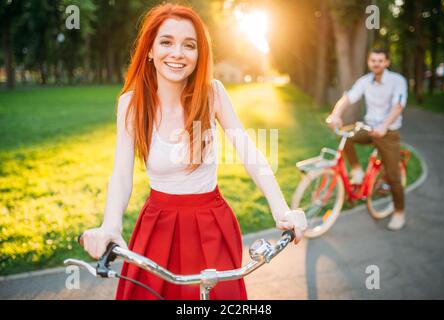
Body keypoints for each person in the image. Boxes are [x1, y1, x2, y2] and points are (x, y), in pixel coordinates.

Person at [80, 3, 307, 300]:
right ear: (149, 50)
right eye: (166, 42)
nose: (177, 53)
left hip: (210, 222)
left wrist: (281, 208)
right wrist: (110, 224)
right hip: (157, 225)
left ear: (199, 55)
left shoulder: (212, 94)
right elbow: (121, 174)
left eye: (189, 45)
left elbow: (248, 151)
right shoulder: (131, 104)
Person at [327, 48, 408, 231]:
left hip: (388, 132)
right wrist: (336, 114)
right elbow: (348, 98)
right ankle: (357, 171)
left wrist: (384, 126)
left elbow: (398, 106)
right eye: (373, 60)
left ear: (387, 62)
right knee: (345, 134)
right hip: (369, 128)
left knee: (394, 177)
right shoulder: (365, 81)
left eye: (380, 60)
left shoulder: (397, 81)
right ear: (369, 62)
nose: (376, 63)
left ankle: (399, 213)